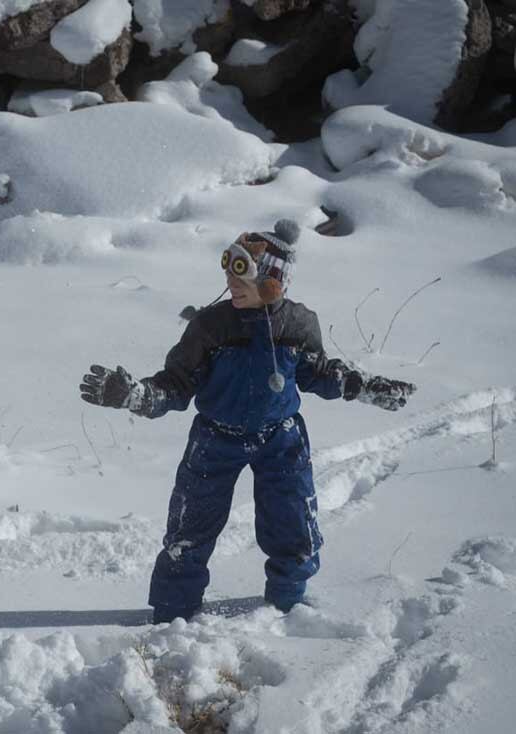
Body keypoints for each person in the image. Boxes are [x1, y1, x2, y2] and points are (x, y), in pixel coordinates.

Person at [79, 220, 416, 624]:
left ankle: (287, 609)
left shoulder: (298, 325)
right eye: (227, 271)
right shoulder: (210, 327)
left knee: (294, 525)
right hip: (215, 440)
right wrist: (138, 395)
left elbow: (320, 373)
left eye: (243, 274)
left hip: (282, 438)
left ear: (274, 282)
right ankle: (171, 617)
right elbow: (177, 383)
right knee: (189, 531)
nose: (230, 282)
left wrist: (366, 387)